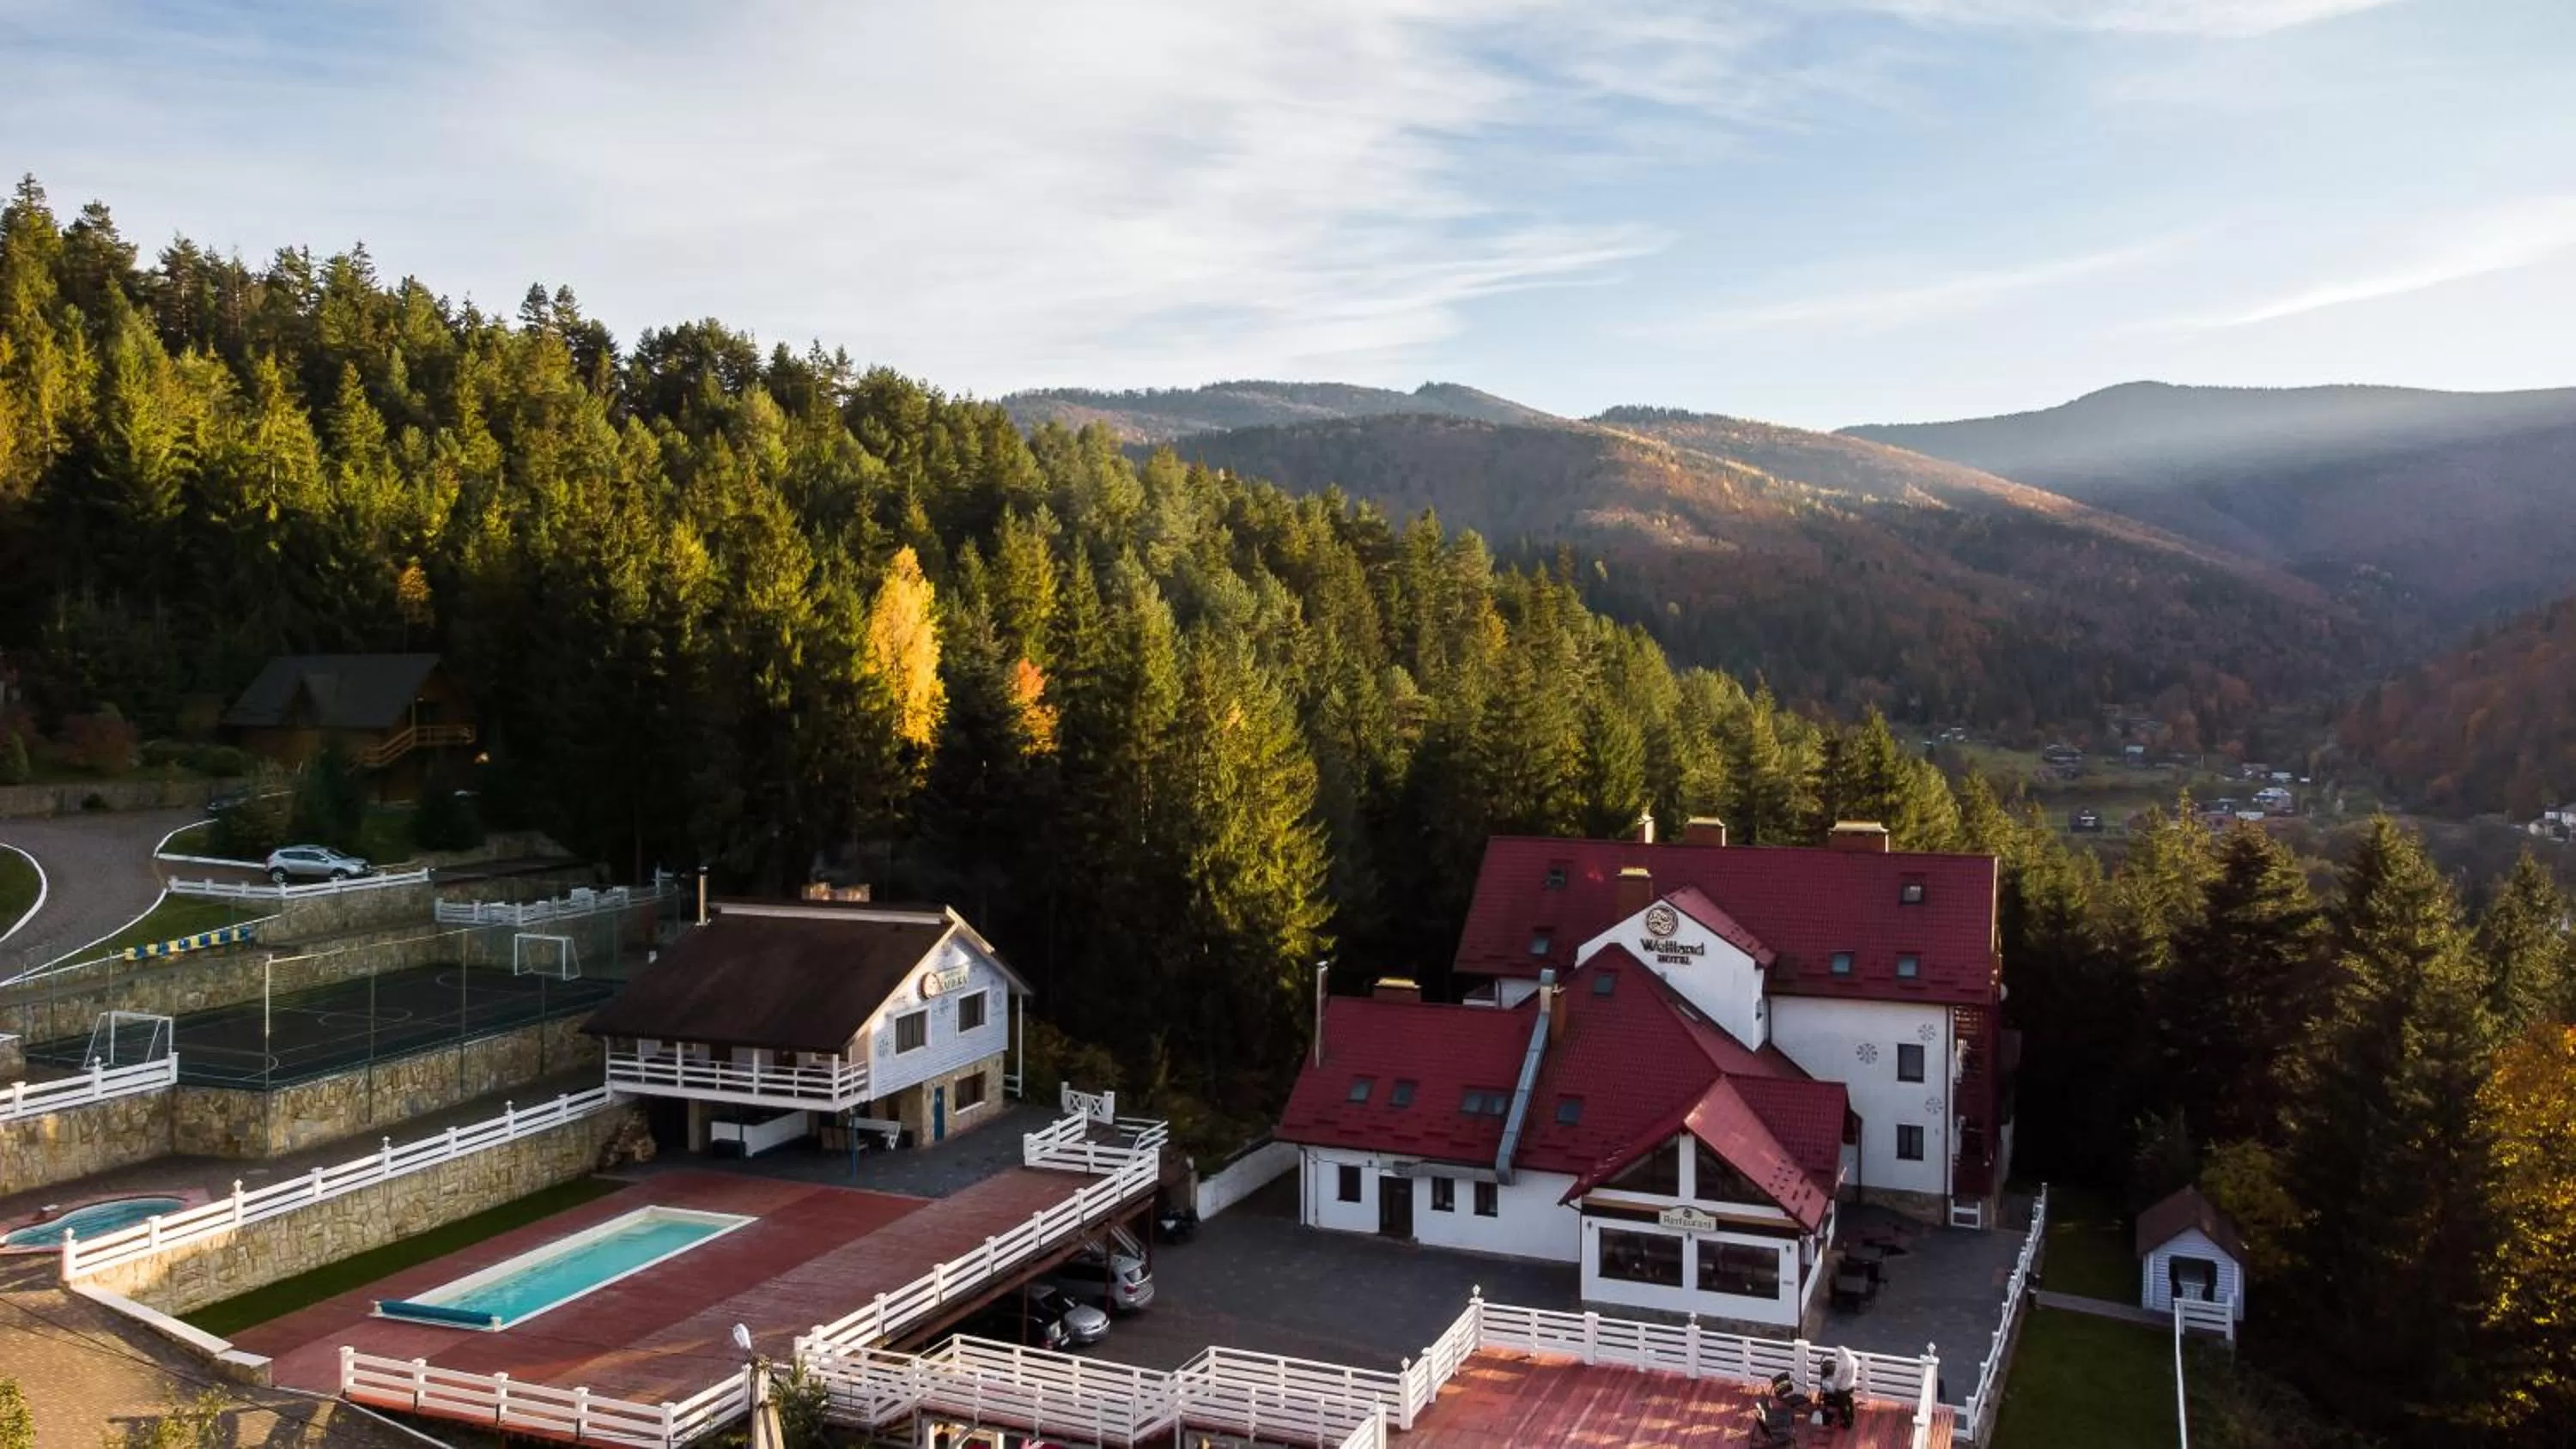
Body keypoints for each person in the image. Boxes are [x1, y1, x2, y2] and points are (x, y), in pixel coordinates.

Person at [1818, 1345, 1860, 1429]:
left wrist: (1833, 1387)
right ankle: (1852, 1416)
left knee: (1842, 1405)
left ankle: (1847, 1423)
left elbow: (1836, 1378)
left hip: (1843, 1388)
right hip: (1852, 1385)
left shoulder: (1841, 1364)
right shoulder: (1854, 1360)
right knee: (1849, 1400)